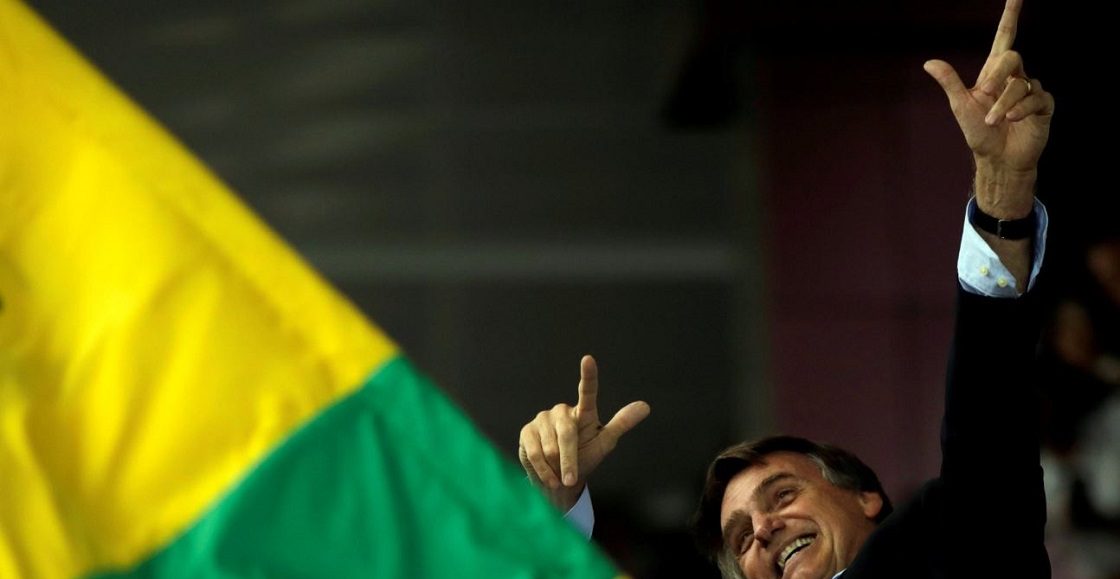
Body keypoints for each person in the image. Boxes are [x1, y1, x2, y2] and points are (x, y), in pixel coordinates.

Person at [517, 0, 1055, 577]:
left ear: (865, 499)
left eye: (782, 495)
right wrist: (558, 509)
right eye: (741, 539)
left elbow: (987, 416)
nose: (764, 528)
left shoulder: (955, 543)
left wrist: (1002, 189)